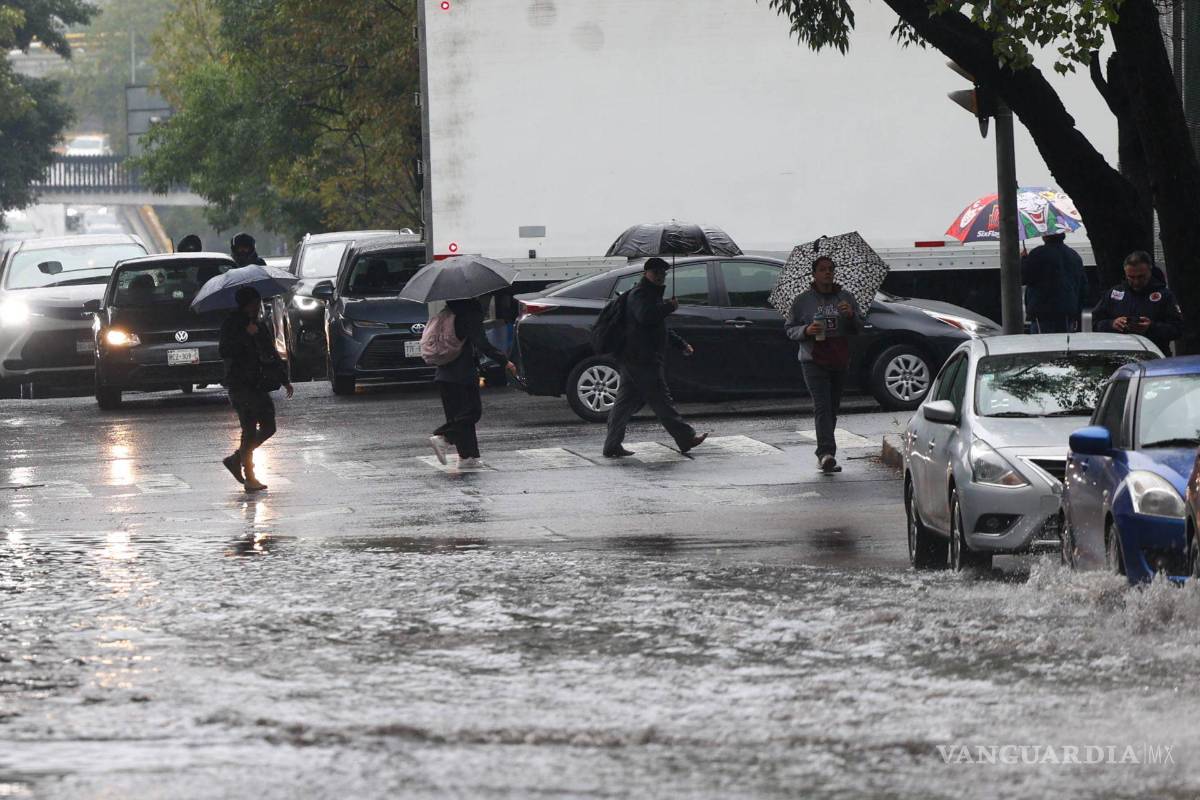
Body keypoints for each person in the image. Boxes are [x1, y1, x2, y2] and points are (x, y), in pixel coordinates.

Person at [603, 258, 709, 458]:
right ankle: (685, 438)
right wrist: (669, 307)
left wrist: (680, 344)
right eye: (656, 272)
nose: (660, 276)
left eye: (663, 273)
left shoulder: (651, 295)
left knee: (624, 403)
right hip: (642, 359)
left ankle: (612, 445)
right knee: (661, 401)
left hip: (636, 358)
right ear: (646, 273)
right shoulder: (640, 294)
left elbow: (660, 328)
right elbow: (646, 316)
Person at [785, 256, 862, 474]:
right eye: (822, 269)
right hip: (813, 359)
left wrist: (851, 315)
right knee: (822, 406)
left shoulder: (845, 297)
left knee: (832, 407)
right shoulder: (803, 300)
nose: (827, 273)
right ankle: (826, 453)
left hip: (839, 358)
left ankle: (826, 450)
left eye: (830, 269)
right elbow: (789, 328)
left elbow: (858, 327)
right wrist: (806, 331)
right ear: (814, 274)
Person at [428, 297, 518, 468]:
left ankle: (468, 457)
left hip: (443, 372)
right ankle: (444, 437)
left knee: (459, 417)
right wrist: (505, 361)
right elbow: (482, 343)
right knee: (472, 412)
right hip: (462, 373)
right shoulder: (469, 313)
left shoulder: (446, 313)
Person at [219, 286, 293, 491]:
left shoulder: (259, 325)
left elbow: (270, 352)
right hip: (240, 385)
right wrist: (244, 335)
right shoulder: (232, 324)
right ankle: (249, 476)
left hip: (258, 384)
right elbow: (224, 350)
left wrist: (284, 379)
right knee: (249, 429)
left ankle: (236, 459)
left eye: (258, 302)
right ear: (245, 304)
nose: (257, 306)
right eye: (253, 303)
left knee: (269, 426)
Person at [1092, 250, 1184, 354]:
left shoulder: (1165, 296)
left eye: (1141, 277)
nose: (1136, 282)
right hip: (1119, 356)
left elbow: (1178, 329)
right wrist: (1112, 324)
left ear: (1150, 271)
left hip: (1153, 356)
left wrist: (1150, 328)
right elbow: (1095, 323)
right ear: (1125, 273)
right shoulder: (1114, 293)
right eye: (1131, 277)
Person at [1020, 232, 1087, 333]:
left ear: (1045, 236)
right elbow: (1083, 287)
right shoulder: (1074, 256)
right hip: (1067, 315)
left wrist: (1024, 260)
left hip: (1042, 315)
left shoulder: (1038, 254)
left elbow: (1023, 278)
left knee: (1043, 347)